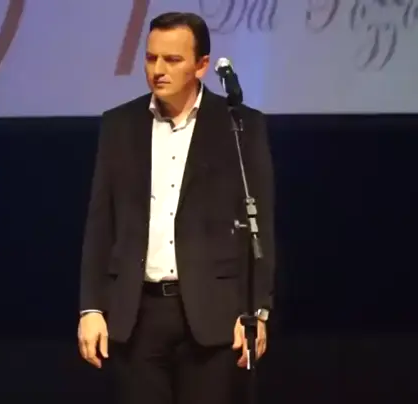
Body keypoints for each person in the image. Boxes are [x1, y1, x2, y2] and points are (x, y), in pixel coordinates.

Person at [77, 11, 276, 404]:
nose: (158, 70)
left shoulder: (239, 125)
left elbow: (260, 226)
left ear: (201, 65)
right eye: (151, 58)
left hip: (213, 313)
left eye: (172, 60)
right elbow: (100, 223)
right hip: (137, 313)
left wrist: (257, 311)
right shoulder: (119, 124)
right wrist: (91, 308)